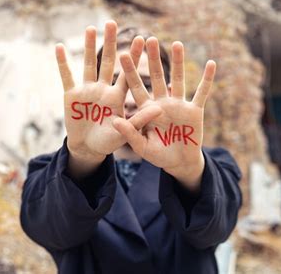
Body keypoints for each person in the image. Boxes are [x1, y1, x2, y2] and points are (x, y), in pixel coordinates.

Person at [20, 21, 242, 273]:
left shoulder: (211, 167)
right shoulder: (53, 171)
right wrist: (83, 157)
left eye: (145, 84)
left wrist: (189, 173)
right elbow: (48, 229)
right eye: (116, 84)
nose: (127, 100)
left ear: (168, 93)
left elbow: (216, 228)